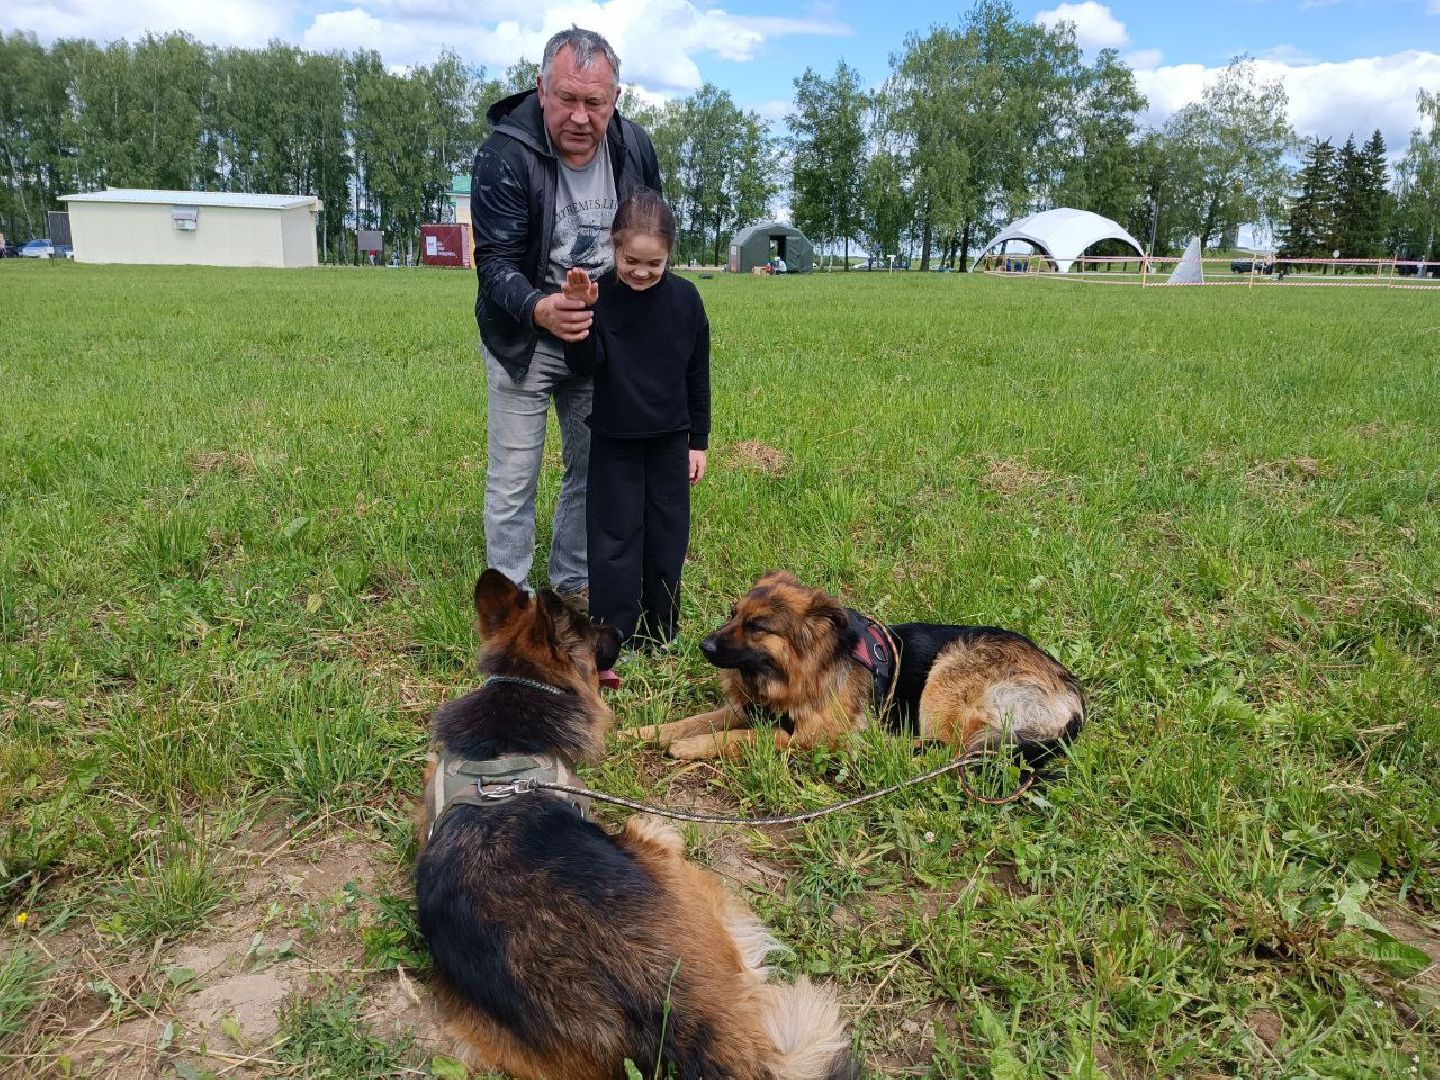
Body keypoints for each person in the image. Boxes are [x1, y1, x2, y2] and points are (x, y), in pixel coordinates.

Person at [471, 27, 662, 604]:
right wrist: (540, 308)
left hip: (599, 338)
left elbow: (650, 235)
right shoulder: (504, 155)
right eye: (567, 99)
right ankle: (509, 596)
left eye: (595, 103)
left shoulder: (634, 148)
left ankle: (572, 581)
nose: (580, 117)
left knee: (591, 468)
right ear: (541, 89)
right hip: (523, 341)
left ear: (616, 99)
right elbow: (494, 263)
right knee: (513, 479)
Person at [562, 190, 710, 654]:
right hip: (615, 440)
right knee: (614, 538)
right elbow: (584, 365)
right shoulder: (600, 296)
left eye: (655, 264)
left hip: (669, 440)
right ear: (614, 245)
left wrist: (698, 441)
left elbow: (697, 373)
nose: (641, 273)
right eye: (631, 261)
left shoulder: (686, 300)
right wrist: (582, 311)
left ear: (669, 256)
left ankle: (662, 628)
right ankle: (613, 634)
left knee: (666, 536)